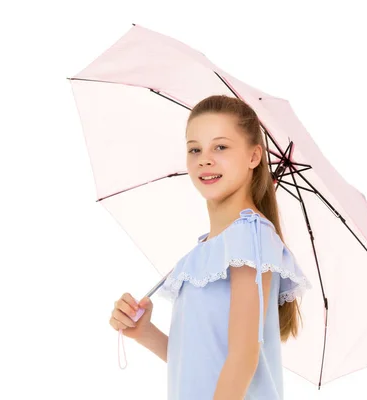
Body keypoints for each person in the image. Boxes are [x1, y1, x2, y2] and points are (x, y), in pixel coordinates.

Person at [108, 95, 311, 399]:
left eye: (221, 147)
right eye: (195, 149)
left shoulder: (250, 236)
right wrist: (145, 333)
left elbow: (243, 357)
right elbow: (200, 362)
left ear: (254, 157)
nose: (204, 159)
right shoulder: (206, 248)